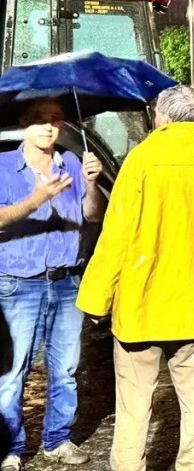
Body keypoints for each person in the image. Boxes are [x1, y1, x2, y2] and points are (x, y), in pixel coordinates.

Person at [76, 86, 194, 471]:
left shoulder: (142, 160)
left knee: (134, 403)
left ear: (164, 117)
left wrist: (95, 300)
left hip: (142, 308)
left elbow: (117, 237)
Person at [0, 98, 104, 471]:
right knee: (12, 374)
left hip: (66, 283)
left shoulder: (73, 163)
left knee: (65, 369)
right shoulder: (3, 166)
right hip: (17, 284)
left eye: (55, 120)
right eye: (39, 120)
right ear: (23, 126)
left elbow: (92, 215)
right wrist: (37, 199)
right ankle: (9, 447)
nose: (48, 127)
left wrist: (91, 185)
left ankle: (56, 440)